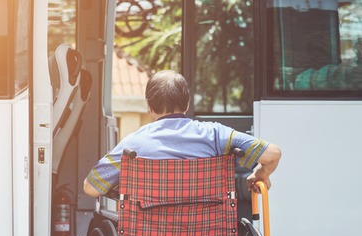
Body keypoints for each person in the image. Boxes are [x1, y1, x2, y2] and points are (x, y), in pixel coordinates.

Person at [83, 70, 281, 198]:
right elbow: (272, 154)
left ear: (149, 106)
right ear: (187, 104)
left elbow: (91, 188)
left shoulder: (133, 144)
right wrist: (260, 174)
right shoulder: (215, 135)